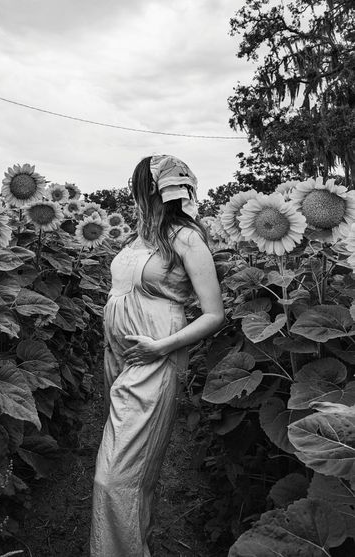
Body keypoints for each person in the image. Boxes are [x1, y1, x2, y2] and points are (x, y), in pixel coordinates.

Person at [90, 154, 225, 557]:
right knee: (129, 468)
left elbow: (215, 314)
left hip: (155, 356)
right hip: (120, 357)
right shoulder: (137, 239)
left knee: (115, 477)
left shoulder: (186, 237)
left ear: (148, 188)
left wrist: (160, 347)